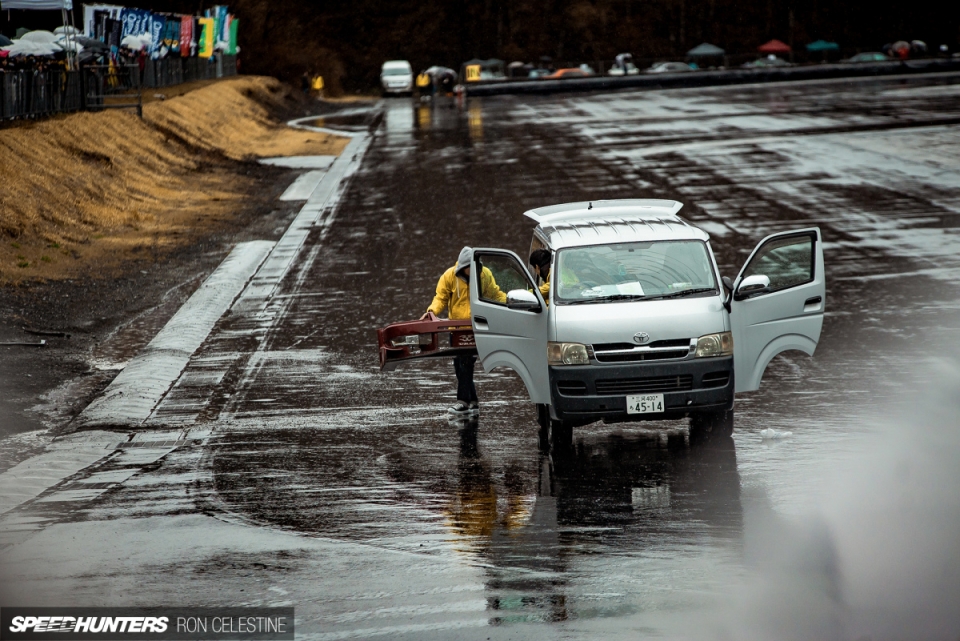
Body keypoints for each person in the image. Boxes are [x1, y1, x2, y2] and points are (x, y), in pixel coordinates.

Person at [421, 246, 506, 416]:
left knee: (467, 362)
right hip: (457, 329)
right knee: (459, 365)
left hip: (476, 327)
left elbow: (495, 294)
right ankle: (473, 401)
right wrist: (432, 311)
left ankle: (462, 402)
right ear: (462, 266)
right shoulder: (449, 276)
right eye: (468, 268)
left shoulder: (484, 274)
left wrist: (510, 303)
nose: (471, 271)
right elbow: (440, 298)